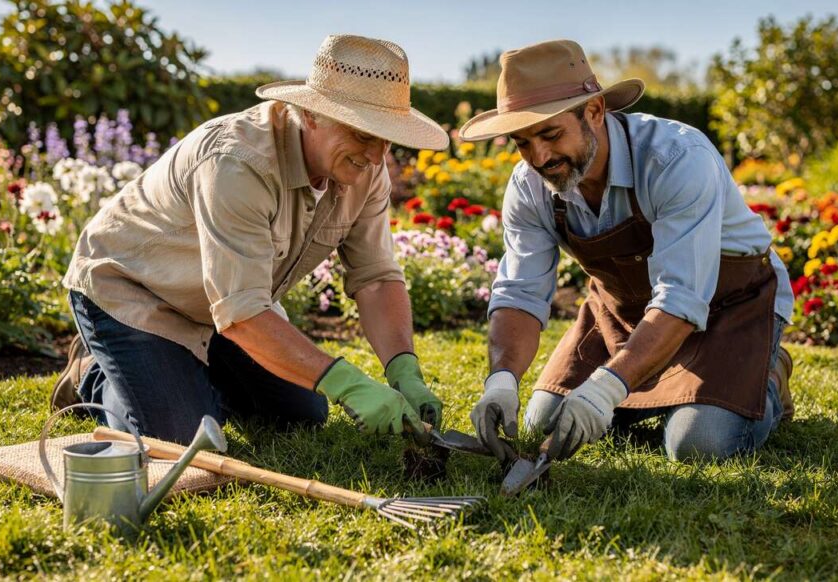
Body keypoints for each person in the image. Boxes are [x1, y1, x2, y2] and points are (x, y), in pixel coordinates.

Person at [52, 34, 448, 444]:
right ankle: (94, 375)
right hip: (134, 290)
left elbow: (376, 278)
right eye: (364, 134)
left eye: (387, 138)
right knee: (179, 438)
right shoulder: (237, 162)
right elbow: (242, 314)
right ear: (312, 115)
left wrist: (404, 368)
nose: (377, 155)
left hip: (223, 302)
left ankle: (182, 370)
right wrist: (347, 381)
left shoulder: (365, 169)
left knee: (303, 415)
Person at [461, 40, 795, 463]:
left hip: (728, 306)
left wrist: (604, 389)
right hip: (624, 312)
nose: (539, 157)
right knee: (542, 424)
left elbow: (681, 297)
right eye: (522, 142)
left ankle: (769, 375)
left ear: (596, 111)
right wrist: (502, 382)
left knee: (697, 444)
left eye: (550, 134)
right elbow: (521, 292)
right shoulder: (529, 185)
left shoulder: (676, 158)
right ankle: (654, 390)